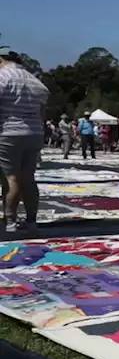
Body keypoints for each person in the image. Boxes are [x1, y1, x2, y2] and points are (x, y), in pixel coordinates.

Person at [0, 47, 48, 233]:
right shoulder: (33, 79)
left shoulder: (3, 76)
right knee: (28, 177)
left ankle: (10, 220)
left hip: (8, 132)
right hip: (34, 133)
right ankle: (31, 220)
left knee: (10, 177)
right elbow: (44, 106)